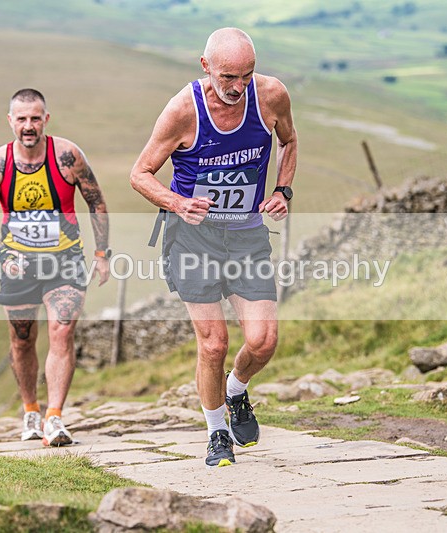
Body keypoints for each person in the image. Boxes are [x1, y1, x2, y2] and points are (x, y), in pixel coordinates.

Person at [130, 28, 298, 467]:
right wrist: (177, 202)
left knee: (262, 341)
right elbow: (141, 173)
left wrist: (283, 190)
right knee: (213, 344)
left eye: (247, 75)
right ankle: (217, 432)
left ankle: (236, 391)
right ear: (205, 67)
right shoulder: (182, 110)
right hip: (193, 239)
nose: (238, 87)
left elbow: (289, 141)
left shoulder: (271, 96)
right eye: (228, 77)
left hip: (246, 236)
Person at [0, 88, 110, 446]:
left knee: (62, 331)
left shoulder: (68, 156)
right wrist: (3, 255)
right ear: (10, 121)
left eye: (35, 118)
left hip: (64, 260)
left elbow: (96, 201)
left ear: (46, 119)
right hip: (17, 264)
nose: (29, 126)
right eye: (21, 119)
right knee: (22, 341)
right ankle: (31, 411)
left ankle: (55, 417)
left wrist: (101, 254)